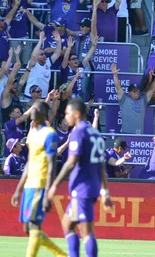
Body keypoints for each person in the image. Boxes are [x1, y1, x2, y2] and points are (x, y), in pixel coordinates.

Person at [47, 99, 112, 257]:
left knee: (87, 232)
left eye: (68, 113)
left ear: (76, 114)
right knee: (67, 225)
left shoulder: (78, 132)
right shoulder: (95, 134)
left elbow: (70, 163)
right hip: (91, 186)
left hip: (83, 188)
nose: (66, 116)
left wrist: (54, 185)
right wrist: (104, 192)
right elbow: (101, 166)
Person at [10, 101, 66, 257]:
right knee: (28, 229)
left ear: (42, 113)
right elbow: (29, 162)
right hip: (29, 185)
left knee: (34, 226)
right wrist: (18, 189)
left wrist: (49, 192)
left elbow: (51, 164)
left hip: (40, 184)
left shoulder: (50, 134)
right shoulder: (33, 133)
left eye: (35, 109)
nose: (32, 111)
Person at [112, 64, 155, 134]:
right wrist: (114, 75)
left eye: (138, 90)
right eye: (134, 91)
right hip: (125, 133)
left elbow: (151, 90)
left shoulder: (143, 100)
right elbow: (118, 87)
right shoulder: (124, 99)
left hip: (139, 135)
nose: (136, 92)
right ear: (129, 92)